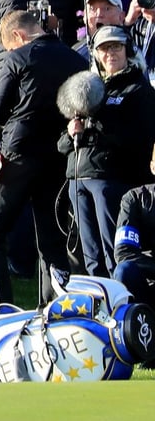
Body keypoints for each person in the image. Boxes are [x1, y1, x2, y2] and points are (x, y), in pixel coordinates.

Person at [0, 11, 89, 308]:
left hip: (18, 155)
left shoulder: (16, 58)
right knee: (51, 238)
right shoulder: (76, 60)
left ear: (17, 37)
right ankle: (54, 309)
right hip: (58, 157)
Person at [59, 26, 155, 277]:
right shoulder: (86, 87)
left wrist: (99, 119)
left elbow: (138, 138)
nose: (110, 53)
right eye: (104, 48)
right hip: (77, 177)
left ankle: (121, 305)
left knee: (114, 251)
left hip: (112, 180)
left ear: (128, 51)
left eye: (116, 47)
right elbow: (61, 145)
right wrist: (72, 132)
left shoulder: (139, 89)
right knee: (90, 254)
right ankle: (99, 306)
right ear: (96, 55)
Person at [114, 186, 155, 307]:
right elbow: (123, 253)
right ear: (153, 168)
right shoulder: (134, 198)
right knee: (124, 270)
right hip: (150, 282)